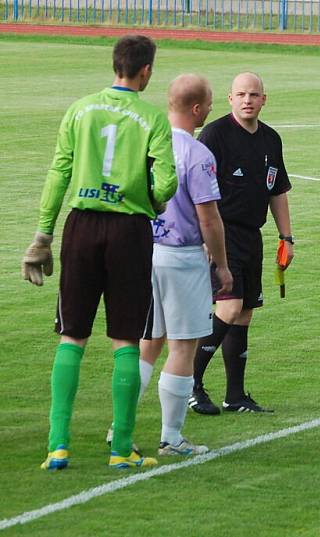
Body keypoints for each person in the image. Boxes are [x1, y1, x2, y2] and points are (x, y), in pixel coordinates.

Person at [24, 35, 177, 470]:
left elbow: (59, 172)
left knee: (72, 333)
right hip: (128, 229)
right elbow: (166, 183)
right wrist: (152, 199)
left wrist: (43, 235)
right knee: (126, 337)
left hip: (82, 226)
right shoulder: (152, 118)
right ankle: (121, 448)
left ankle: (58, 445)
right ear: (146, 71)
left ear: (115, 65)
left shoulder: (80, 108)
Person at [110, 74, 234, 455]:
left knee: (146, 343)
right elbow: (208, 217)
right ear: (196, 109)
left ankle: (120, 428)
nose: (212, 109)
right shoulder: (197, 154)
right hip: (181, 257)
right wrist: (223, 265)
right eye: (210, 103)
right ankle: (172, 437)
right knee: (183, 346)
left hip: (142, 251)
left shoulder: (145, 141)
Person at [188, 72, 294, 415]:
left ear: (264, 99)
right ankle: (192, 384)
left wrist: (286, 237)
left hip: (252, 235)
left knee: (245, 313)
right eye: (241, 94)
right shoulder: (215, 135)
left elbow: (277, 191)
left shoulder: (271, 139)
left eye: (254, 94)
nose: (248, 100)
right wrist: (204, 236)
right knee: (229, 307)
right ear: (230, 99)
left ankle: (235, 396)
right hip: (222, 233)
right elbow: (195, 187)